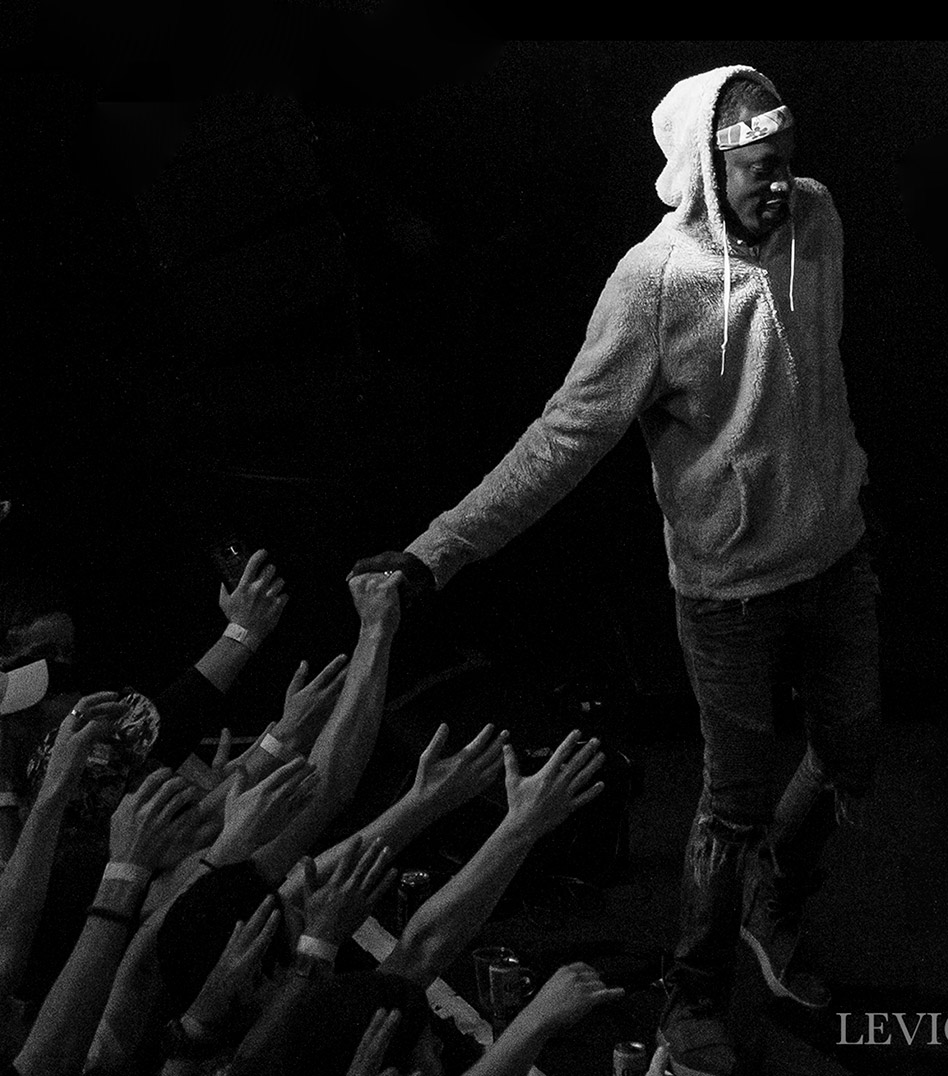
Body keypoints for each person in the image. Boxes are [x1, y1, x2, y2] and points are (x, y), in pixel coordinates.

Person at [352, 65, 882, 1076]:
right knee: (729, 803)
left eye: (786, 162)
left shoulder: (817, 217)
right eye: (757, 168)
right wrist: (434, 551)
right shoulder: (651, 286)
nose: (780, 183)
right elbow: (561, 440)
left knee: (847, 751)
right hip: (727, 592)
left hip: (834, 558)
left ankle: (775, 902)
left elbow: (809, 367)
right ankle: (692, 997)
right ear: (701, 165)